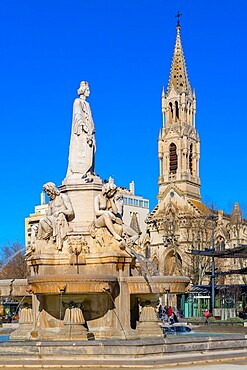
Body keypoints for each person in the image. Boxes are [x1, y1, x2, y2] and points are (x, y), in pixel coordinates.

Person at [66, 81, 96, 178]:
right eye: (87, 90)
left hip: (89, 133)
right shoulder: (77, 101)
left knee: (91, 150)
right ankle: (79, 172)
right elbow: (77, 115)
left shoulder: (87, 104)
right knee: (81, 150)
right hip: (81, 132)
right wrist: (84, 127)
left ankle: (89, 172)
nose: (89, 92)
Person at [37, 182, 74, 250]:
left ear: (52, 190)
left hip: (60, 220)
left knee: (42, 221)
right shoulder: (50, 202)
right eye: (46, 192)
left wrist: (61, 211)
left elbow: (70, 211)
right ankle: (40, 242)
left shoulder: (63, 197)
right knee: (39, 224)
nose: (47, 194)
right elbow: (48, 215)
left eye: (48, 191)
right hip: (52, 221)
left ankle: (47, 239)